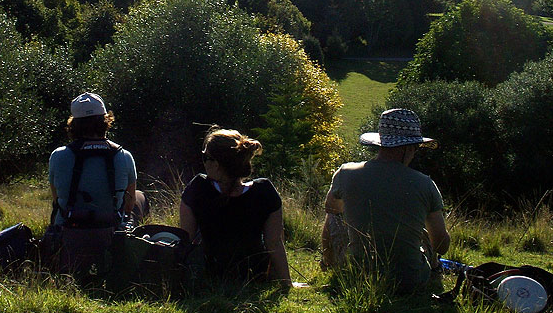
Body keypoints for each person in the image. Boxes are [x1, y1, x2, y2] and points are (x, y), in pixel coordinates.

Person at [322, 108, 450, 293]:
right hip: (410, 282)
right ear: (407, 148)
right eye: (415, 148)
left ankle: (328, 264)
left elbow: (332, 209)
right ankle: (435, 274)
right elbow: (441, 245)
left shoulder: (345, 173)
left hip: (357, 276)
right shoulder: (425, 184)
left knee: (333, 216)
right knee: (423, 232)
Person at [180, 127, 295, 287]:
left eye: (206, 156)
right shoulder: (265, 191)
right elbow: (274, 243)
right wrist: (287, 283)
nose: (204, 161)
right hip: (255, 276)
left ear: (217, 163)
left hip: (211, 275)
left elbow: (186, 239)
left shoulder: (198, 189)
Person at [48, 92, 145, 272]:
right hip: (109, 233)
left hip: (69, 236)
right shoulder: (124, 156)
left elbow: (56, 200)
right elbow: (129, 205)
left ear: (73, 125)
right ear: (105, 122)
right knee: (139, 197)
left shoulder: (58, 156)